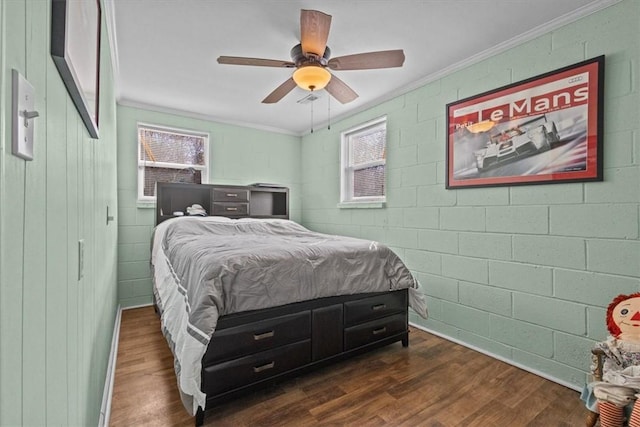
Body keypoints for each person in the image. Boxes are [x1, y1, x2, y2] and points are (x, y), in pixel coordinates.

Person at [591, 293, 640, 427]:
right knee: (608, 393)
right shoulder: (616, 344)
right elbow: (602, 349)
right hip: (622, 378)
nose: (636, 316)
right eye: (625, 312)